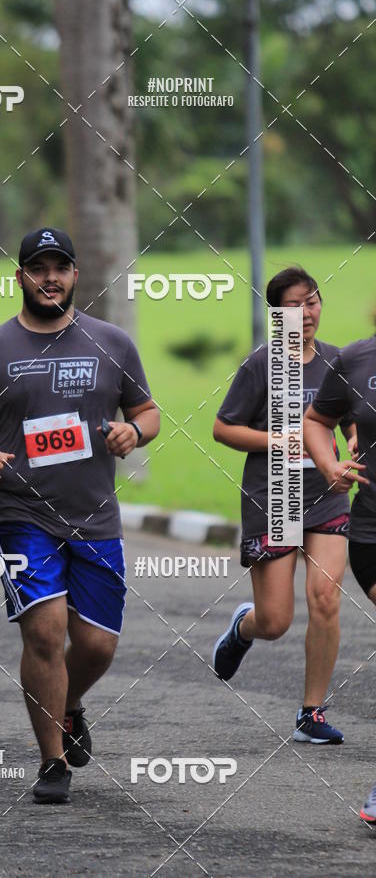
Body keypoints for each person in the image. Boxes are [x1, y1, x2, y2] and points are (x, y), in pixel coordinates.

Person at [0, 227, 159, 803]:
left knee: (97, 646)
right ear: (21, 277)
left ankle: (70, 705)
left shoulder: (111, 342)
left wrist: (133, 431)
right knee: (44, 632)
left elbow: (148, 411)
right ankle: (51, 761)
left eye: (61, 266)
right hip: (19, 513)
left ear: (75, 275)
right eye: (39, 268)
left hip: (95, 516)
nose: (50, 277)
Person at [211, 267, 355, 744]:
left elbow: (354, 419)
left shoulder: (338, 362)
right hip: (275, 497)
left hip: (327, 494)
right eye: (293, 305)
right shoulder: (260, 366)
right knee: (276, 621)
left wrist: (354, 444)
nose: (305, 313)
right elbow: (224, 428)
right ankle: (243, 628)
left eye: (311, 301)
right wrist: (280, 440)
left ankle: (310, 713)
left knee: (325, 597)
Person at [303, 330, 375, 820]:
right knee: (274, 618)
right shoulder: (355, 358)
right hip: (372, 528)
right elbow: (315, 421)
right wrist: (330, 464)